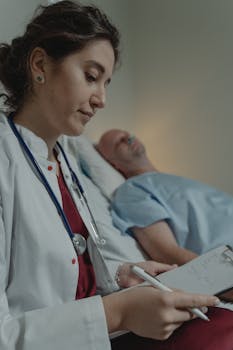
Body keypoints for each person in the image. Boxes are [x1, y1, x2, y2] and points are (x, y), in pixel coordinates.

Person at [0, 2, 220, 349]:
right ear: (40, 64)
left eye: (106, 82)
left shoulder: (66, 163)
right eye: (91, 76)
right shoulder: (5, 160)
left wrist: (122, 274)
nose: (101, 99)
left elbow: (74, 275)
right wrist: (117, 313)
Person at [96, 128, 233, 266]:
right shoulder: (131, 191)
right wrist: (224, 278)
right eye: (120, 142)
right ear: (113, 164)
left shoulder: (171, 179)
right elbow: (166, 253)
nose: (129, 139)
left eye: (129, 135)